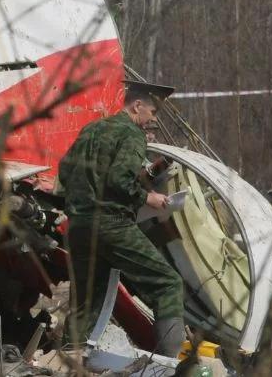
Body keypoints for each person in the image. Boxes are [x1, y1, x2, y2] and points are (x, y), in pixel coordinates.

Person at [58, 79, 184, 356]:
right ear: (137, 105)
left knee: (87, 300)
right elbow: (118, 179)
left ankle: (68, 362)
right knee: (168, 284)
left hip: (79, 226)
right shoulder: (130, 133)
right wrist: (147, 197)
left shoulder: (91, 129)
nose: (152, 120)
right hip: (111, 224)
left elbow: (65, 171)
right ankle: (167, 367)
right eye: (152, 113)